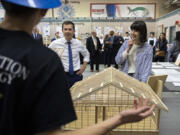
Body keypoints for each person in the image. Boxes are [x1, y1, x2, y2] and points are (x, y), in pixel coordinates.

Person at [0, 0, 155, 135]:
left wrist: (83, 67)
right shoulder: (43, 60)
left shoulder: (46, 59)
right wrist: (119, 119)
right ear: (43, 10)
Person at [49, 20, 89, 88]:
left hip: (76, 75)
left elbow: (86, 54)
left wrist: (84, 67)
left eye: (70, 29)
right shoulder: (55, 43)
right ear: (62, 31)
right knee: (62, 96)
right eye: (65, 29)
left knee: (76, 96)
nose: (67, 31)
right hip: (61, 76)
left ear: (74, 31)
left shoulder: (78, 43)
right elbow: (46, 56)